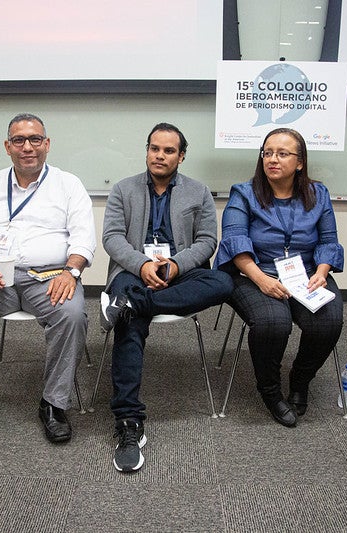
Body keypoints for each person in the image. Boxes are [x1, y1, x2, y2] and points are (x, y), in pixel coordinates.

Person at [0, 113, 95, 444]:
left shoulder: (68, 185)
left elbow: (84, 237)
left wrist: (72, 271)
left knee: (71, 316)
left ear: (47, 144)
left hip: (51, 275)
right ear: (7, 146)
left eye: (35, 139)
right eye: (19, 140)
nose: (27, 147)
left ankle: (54, 404)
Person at [100, 123, 234, 473]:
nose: (160, 155)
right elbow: (112, 238)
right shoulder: (123, 189)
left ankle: (132, 303)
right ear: (147, 151)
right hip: (133, 271)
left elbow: (207, 241)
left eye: (169, 150)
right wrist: (142, 264)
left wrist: (174, 265)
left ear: (181, 155)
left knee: (222, 281)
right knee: (129, 323)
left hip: (180, 271)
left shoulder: (199, 191)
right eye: (154, 148)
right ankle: (128, 421)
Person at [214, 128, 344, 428]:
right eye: (267, 153)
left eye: (282, 154)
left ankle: (300, 379)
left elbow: (328, 241)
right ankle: (270, 390)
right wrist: (262, 280)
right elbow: (235, 243)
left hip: (307, 273)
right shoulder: (243, 193)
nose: (273, 159)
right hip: (253, 273)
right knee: (274, 323)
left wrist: (322, 272)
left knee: (328, 321)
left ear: (300, 162)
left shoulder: (319, 193)